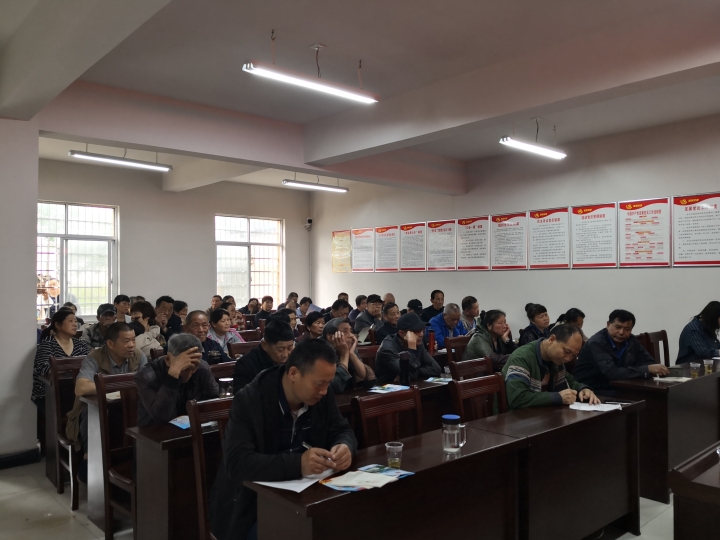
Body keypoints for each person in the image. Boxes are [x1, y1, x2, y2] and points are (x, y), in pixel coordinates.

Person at [210, 339, 357, 540]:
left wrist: (344, 446)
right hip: (251, 506)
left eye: (328, 383)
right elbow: (237, 462)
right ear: (293, 373)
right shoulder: (250, 399)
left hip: (305, 498)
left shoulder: (322, 395)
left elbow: (342, 429)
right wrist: (298, 464)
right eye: (319, 384)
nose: (324, 391)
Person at [66, 322, 147, 481]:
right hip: (95, 412)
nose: (132, 345)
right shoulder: (95, 357)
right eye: (126, 341)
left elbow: (148, 381)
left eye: (133, 340)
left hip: (127, 410)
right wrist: (117, 386)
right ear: (110, 343)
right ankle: (90, 460)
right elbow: (81, 388)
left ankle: (135, 461)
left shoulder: (138, 355)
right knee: (94, 412)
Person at [502, 324, 599, 410]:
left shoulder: (555, 359)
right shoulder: (522, 357)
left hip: (542, 415)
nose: (568, 359)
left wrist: (583, 389)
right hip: (516, 418)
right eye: (567, 351)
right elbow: (517, 399)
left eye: (573, 355)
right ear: (551, 339)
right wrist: (557, 397)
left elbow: (568, 380)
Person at [574, 310, 669, 395]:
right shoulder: (596, 343)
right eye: (618, 327)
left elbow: (649, 362)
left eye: (627, 329)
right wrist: (645, 369)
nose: (621, 332)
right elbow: (612, 373)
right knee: (640, 396)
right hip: (592, 389)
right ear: (608, 324)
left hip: (618, 385)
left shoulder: (631, 340)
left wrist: (649, 368)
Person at [135, 334, 218, 427]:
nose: (189, 374)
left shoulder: (202, 367)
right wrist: (173, 375)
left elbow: (215, 400)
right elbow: (162, 416)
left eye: (193, 368)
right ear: (168, 360)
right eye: (185, 368)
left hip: (192, 426)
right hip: (155, 429)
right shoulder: (147, 375)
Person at [32, 310, 91, 405]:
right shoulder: (48, 344)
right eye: (70, 321)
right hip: (48, 393)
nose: (75, 324)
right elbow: (42, 368)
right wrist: (71, 366)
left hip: (74, 390)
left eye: (75, 321)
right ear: (58, 325)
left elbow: (89, 364)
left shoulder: (80, 344)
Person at [375, 313, 442, 385]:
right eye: (416, 331)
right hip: (387, 388)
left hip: (411, 385)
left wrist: (417, 371)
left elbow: (436, 369)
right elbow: (408, 375)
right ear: (402, 333)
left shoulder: (419, 343)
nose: (421, 334)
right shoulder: (388, 349)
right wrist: (412, 348)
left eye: (422, 330)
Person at [232, 320, 296, 391]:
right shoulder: (246, 364)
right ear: (264, 345)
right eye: (280, 350)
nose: (285, 354)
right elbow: (241, 395)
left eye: (289, 348)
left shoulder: (296, 359)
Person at [322, 318, 375, 392]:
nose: (351, 335)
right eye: (345, 331)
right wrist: (344, 355)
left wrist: (351, 354)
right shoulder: (321, 352)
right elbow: (336, 386)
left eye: (351, 331)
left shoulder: (349, 348)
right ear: (330, 337)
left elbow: (366, 378)